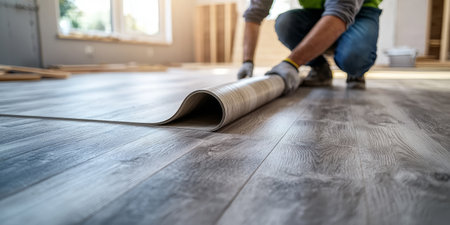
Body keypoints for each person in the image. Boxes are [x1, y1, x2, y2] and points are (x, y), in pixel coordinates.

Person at [237, 0, 383, 94]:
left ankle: (355, 70)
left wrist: (291, 63)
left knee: (354, 58)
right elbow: (254, 13)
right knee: (286, 24)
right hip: (317, 12)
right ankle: (320, 68)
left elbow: (340, 12)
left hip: (361, 11)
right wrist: (247, 61)